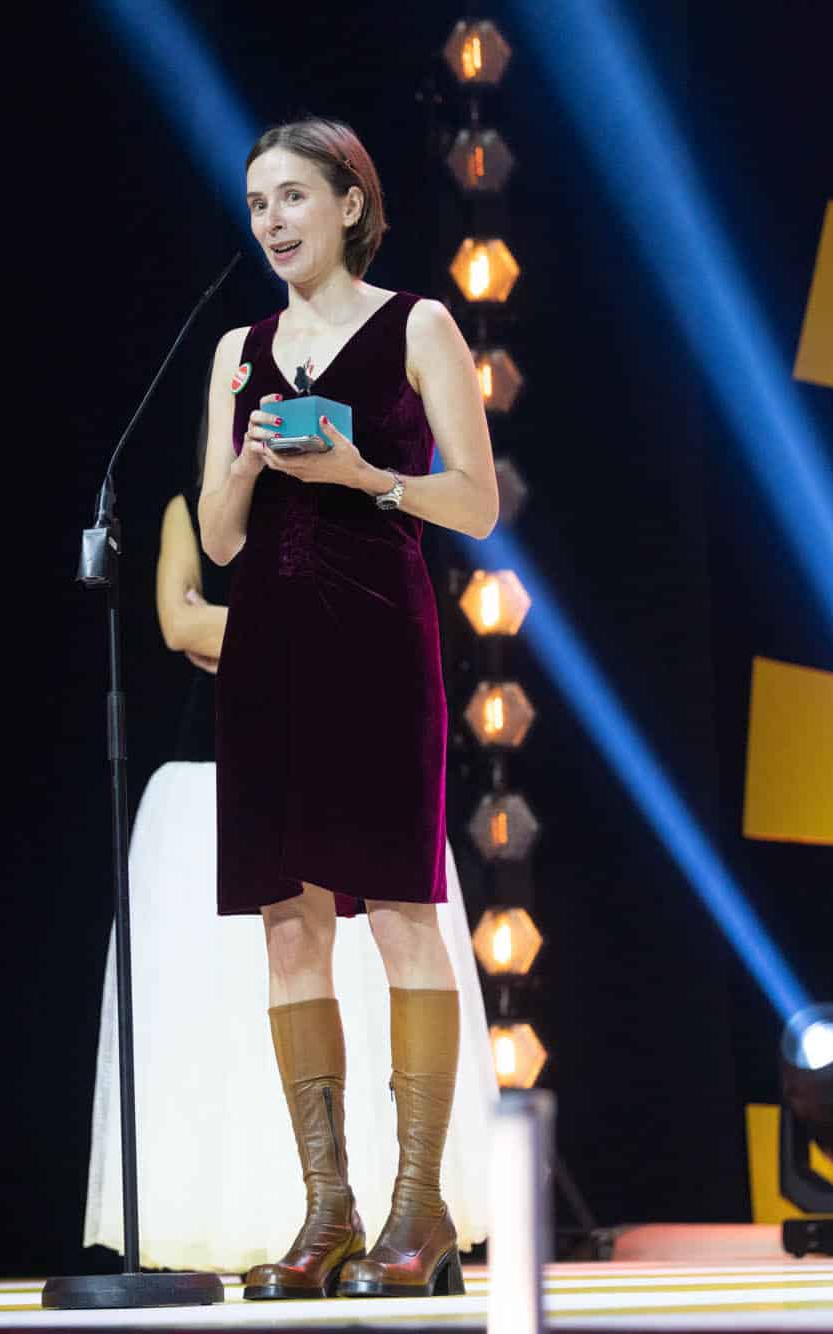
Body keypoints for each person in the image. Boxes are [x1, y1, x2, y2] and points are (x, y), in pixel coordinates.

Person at [200, 117, 499, 1300]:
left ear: (349, 204)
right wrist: (246, 455)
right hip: (267, 649)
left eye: (290, 197)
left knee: (400, 915)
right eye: (256, 203)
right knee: (288, 924)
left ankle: (418, 1211)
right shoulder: (238, 348)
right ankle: (326, 1209)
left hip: (377, 640)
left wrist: (363, 475)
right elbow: (218, 538)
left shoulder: (416, 324)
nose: (270, 221)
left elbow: (475, 502)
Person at [81, 436, 498, 1276]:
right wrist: (297, 626)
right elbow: (177, 619)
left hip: (350, 727)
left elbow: (388, 585)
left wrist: (262, 630)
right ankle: (309, 1212)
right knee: (241, 986)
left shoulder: (351, 490)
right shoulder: (196, 505)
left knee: (377, 952)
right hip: (228, 754)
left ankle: (412, 1209)